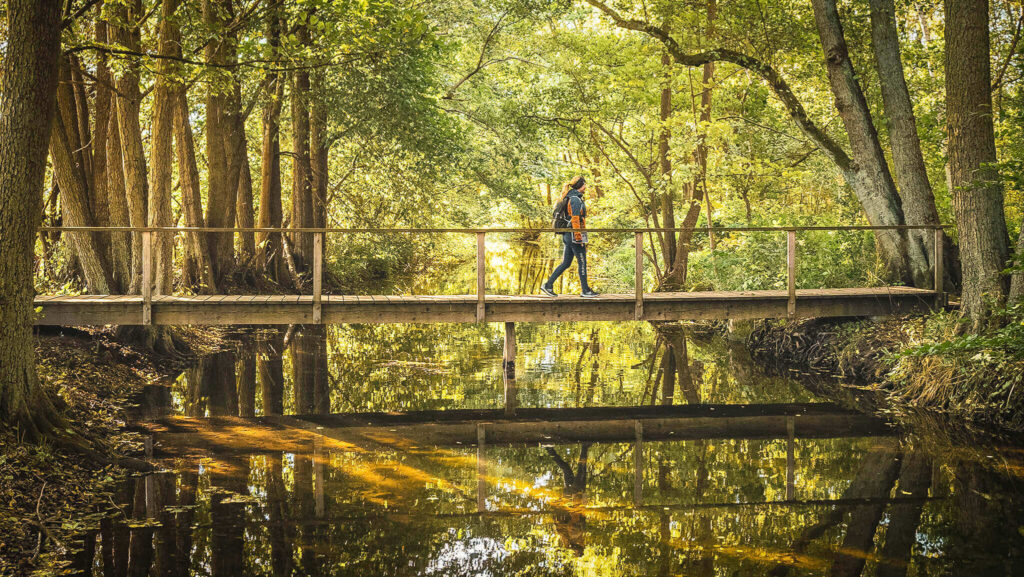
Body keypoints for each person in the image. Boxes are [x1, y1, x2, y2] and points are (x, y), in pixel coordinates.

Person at [541, 176, 599, 298]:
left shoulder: (571, 197)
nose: (586, 187)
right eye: (585, 185)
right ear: (581, 186)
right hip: (573, 234)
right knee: (582, 261)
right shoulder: (575, 200)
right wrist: (579, 237)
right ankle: (585, 291)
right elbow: (576, 219)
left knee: (566, 263)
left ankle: (548, 285)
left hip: (569, 234)